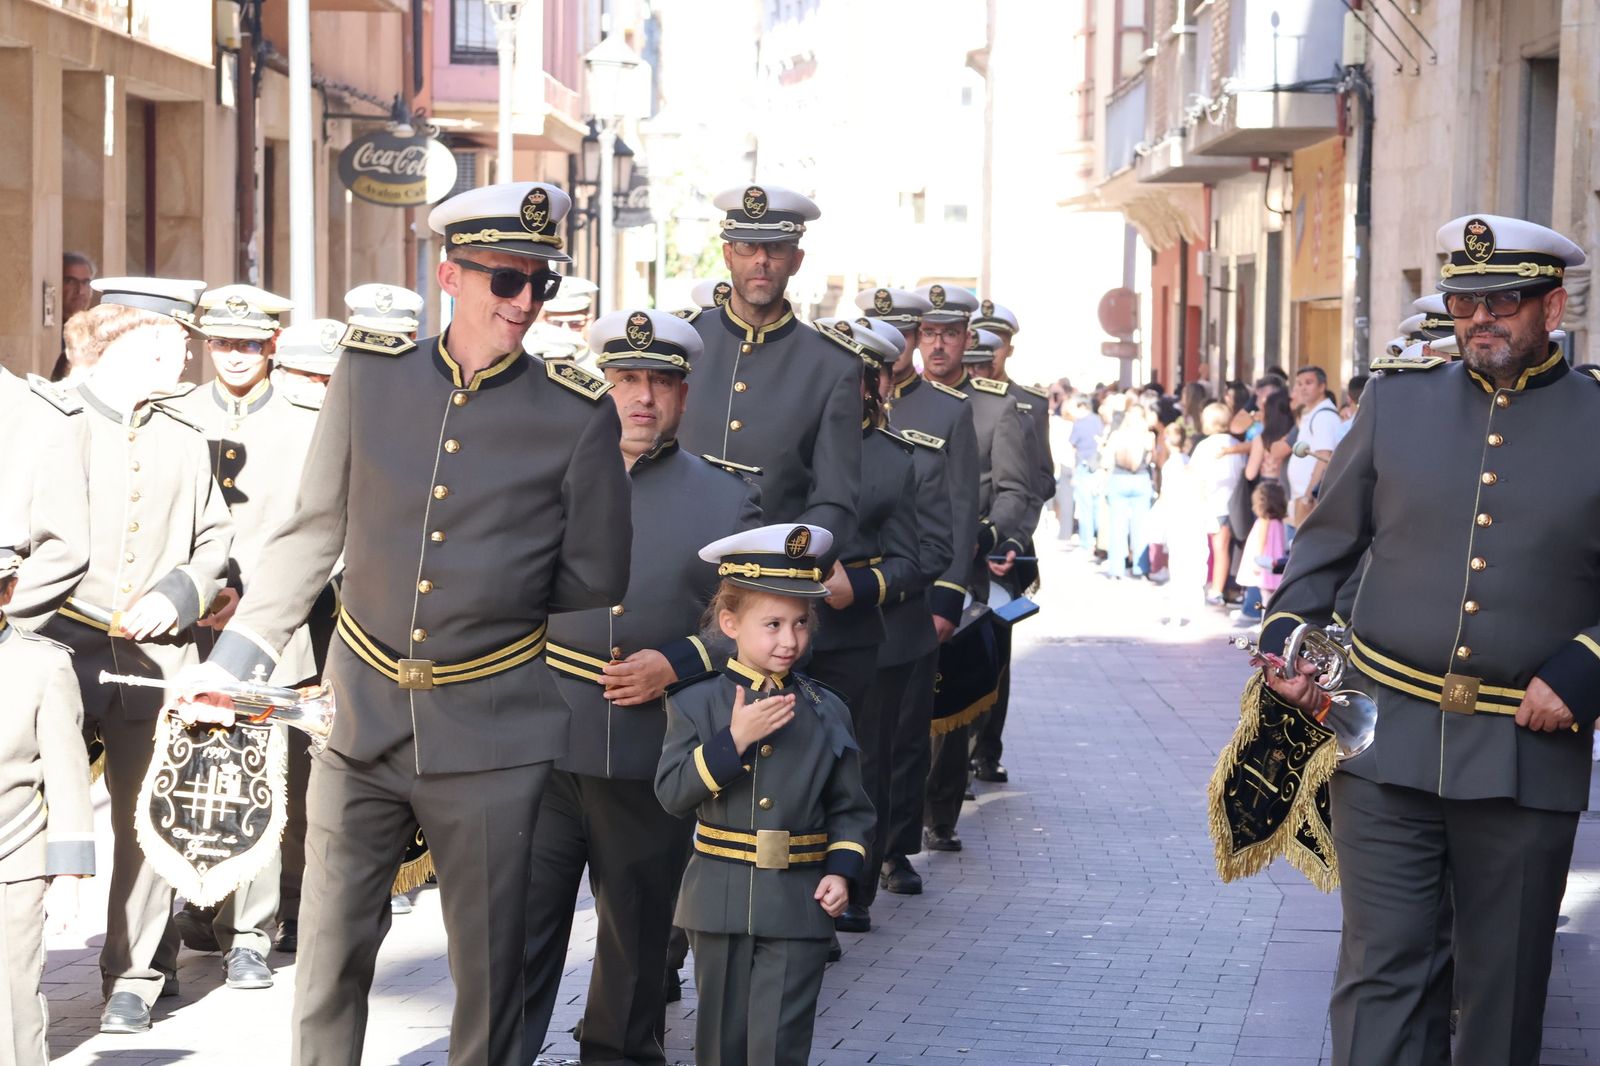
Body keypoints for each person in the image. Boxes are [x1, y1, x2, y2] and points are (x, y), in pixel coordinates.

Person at [171, 181, 633, 1066]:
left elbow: (595, 577)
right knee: (329, 961)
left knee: (491, 978)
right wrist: (231, 664)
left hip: (494, 734)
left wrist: (492, 597)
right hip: (359, 720)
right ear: (449, 275)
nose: (527, 302)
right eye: (507, 280)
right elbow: (311, 534)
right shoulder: (370, 376)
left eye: (541, 282)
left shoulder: (576, 412)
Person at [1259, 213, 1600, 1065]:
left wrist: (1585, 671)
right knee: (1380, 973)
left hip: (1526, 750)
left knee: (1503, 989)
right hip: (1382, 740)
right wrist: (1293, 639)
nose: (1479, 319)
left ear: (1552, 307)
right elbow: (1324, 548)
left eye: (1504, 302)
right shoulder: (1399, 401)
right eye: (1464, 301)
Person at [521, 309, 762, 1066]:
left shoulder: (726, 501)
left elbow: (754, 626)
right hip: (544, 741)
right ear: (604, 385)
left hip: (650, 755)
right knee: (519, 929)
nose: (643, 397)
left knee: (634, 934)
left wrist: (679, 662)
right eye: (626, 379)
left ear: (686, 396)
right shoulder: (544, 477)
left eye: (661, 382)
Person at [35, 280, 235, 1035]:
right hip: (55, 644)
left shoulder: (183, 435)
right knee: (22, 809)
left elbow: (215, 538)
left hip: (158, 657)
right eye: (176, 336)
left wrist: (182, 592)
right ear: (134, 339)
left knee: (148, 815)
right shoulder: (53, 422)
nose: (188, 349)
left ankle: (135, 973)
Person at [654, 523, 874, 1066]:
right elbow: (672, 793)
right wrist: (735, 741)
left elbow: (852, 808)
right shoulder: (698, 703)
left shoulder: (828, 710)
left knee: (778, 1047)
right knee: (721, 1047)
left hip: (800, 903)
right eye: (772, 623)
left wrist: (841, 871)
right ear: (729, 623)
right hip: (718, 900)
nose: (789, 639)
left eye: (801, 623)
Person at [166, 284, 316, 988]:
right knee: (174, 777)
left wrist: (255, 601)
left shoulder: (308, 421)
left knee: (258, 777)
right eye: (223, 342)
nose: (235, 355)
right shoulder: (171, 414)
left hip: (269, 634)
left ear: (273, 346)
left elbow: (324, 533)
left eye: (250, 343)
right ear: (203, 343)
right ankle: (166, 928)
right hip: (178, 630)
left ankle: (250, 933)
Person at [809, 317, 949, 934]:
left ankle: (851, 890)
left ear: (873, 385)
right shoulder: (789, 440)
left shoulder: (895, 460)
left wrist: (857, 587)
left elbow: (914, 558)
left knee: (855, 764)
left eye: (855, 378)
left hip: (851, 630)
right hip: (770, 630)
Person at [857, 286, 976, 898]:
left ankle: (898, 848)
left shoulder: (947, 411)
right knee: (860, 739)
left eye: (910, 335)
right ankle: (857, 852)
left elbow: (960, 510)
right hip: (855, 598)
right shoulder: (849, 402)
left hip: (916, 600)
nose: (903, 347)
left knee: (907, 734)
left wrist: (947, 599)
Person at [678, 184, 862, 552]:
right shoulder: (682, 342)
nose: (761, 260)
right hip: (673, 564)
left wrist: (785, 571)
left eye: (776, 248)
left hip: (771, 581)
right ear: (728, 254)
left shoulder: (832, 366)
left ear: (796, 260)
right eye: (747, 247)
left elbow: (834, 502)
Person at [915, 286, 1032, 823]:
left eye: (949, 334)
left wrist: (986, 537)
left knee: (956, 690)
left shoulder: (995, 407)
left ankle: (940, 813)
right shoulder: (896, 401)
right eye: (929, 334)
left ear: (968, 339)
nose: (938, 346)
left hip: (968, 566)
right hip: (909, 565)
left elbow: (1015, 490)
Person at [0, 536, 95, 1066]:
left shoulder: (43, 666)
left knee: (11, 1001)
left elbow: (66, 774)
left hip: (12, 850)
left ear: (9, 590)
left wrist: (67, 877)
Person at [1187, 402, 1247, 605]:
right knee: (1222, 548)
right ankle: (1218, 586)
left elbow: (1195, 475)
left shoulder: (1205, 446)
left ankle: (1215, 587)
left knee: (1215, 548)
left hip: (1210, 502)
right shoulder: (1235, 443)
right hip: (1231, 502)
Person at [1100, 402, 1155, 580]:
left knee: (1117, 526)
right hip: (1140, 479)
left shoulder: (1117, 435)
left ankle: (1117, 569)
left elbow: (1106, 462)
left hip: (1119, 478)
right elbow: (1150, 459)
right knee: (1141, 526)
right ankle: (1141, 568)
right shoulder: (1148, 437)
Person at [1285, 365, 1339, 528]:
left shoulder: (1324, 416)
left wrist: (1308, 496)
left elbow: (1324, 457)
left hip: (1310, 502)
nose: (1302, 388)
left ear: (1322, 387)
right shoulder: (1312, 413)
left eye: (1308, 383)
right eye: (1299, 383)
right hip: (1301, 499)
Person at [1232, 481, 1287, 625]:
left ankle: (1265, 625)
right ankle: (1266, 624)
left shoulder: (1264, 521)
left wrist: (1258, 563)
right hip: (1274, 565)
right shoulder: (1278, 522)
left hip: (1265, 565)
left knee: (1266, 600)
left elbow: (1261, 542)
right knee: (1270, 599)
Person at [1068, 389, 1106, 554]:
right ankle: (1099, 540)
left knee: (1085, 507)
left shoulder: (1079, 423)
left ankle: (1086, 542)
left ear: (1080, 406)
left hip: (1083, 466)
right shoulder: (1098, 420)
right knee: (1097, 505)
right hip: (1098, 466)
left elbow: (1072, 445)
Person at [51, 251, 98, 381]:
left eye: (86, 282)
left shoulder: (98, 330)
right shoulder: (50, 331)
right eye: (71, 281)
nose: (80, 291)